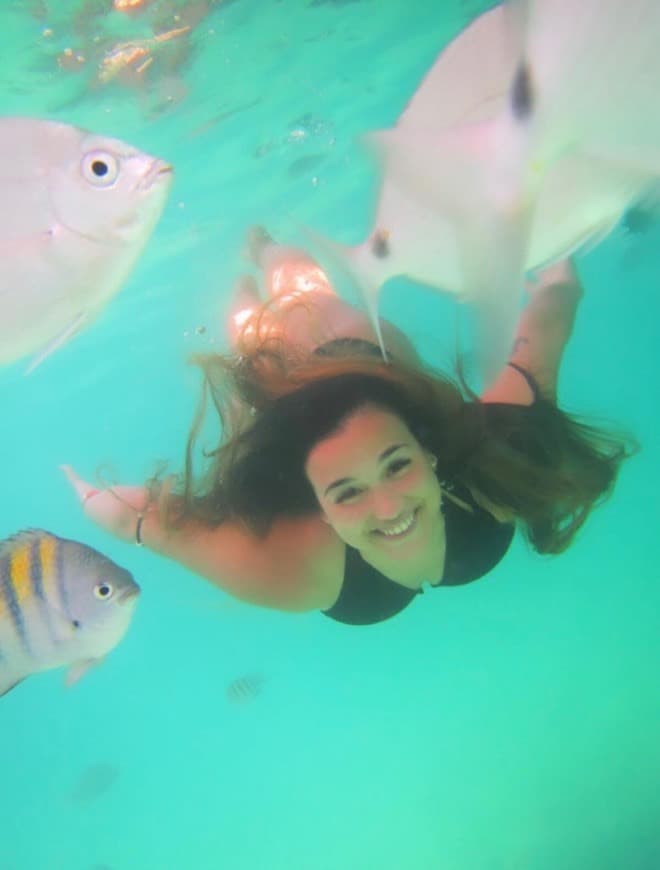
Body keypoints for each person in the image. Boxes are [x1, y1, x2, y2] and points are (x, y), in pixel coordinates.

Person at [63, 227, 635, 625]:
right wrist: (86, 497)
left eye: (397, 464)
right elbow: (156, 526)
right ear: (316, 505)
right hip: (281, 375)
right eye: (348, 492)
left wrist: (562, 276)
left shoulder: (490, 470)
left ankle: (264, 248)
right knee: (257, 335)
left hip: (357, 353)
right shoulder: (300, 566)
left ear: (429, 452)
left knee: (304, 293)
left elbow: (539, 345)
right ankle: (247, 283)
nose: (389, 509)